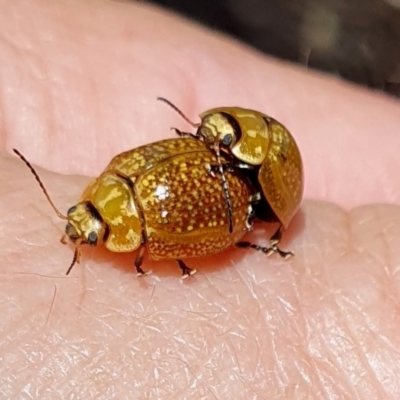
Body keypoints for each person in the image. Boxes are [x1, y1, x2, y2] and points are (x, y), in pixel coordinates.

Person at [1, 1, 400, 398]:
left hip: (260, 197)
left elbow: (196, 228)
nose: (209, 143)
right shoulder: (122, 172)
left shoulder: (146, 197)